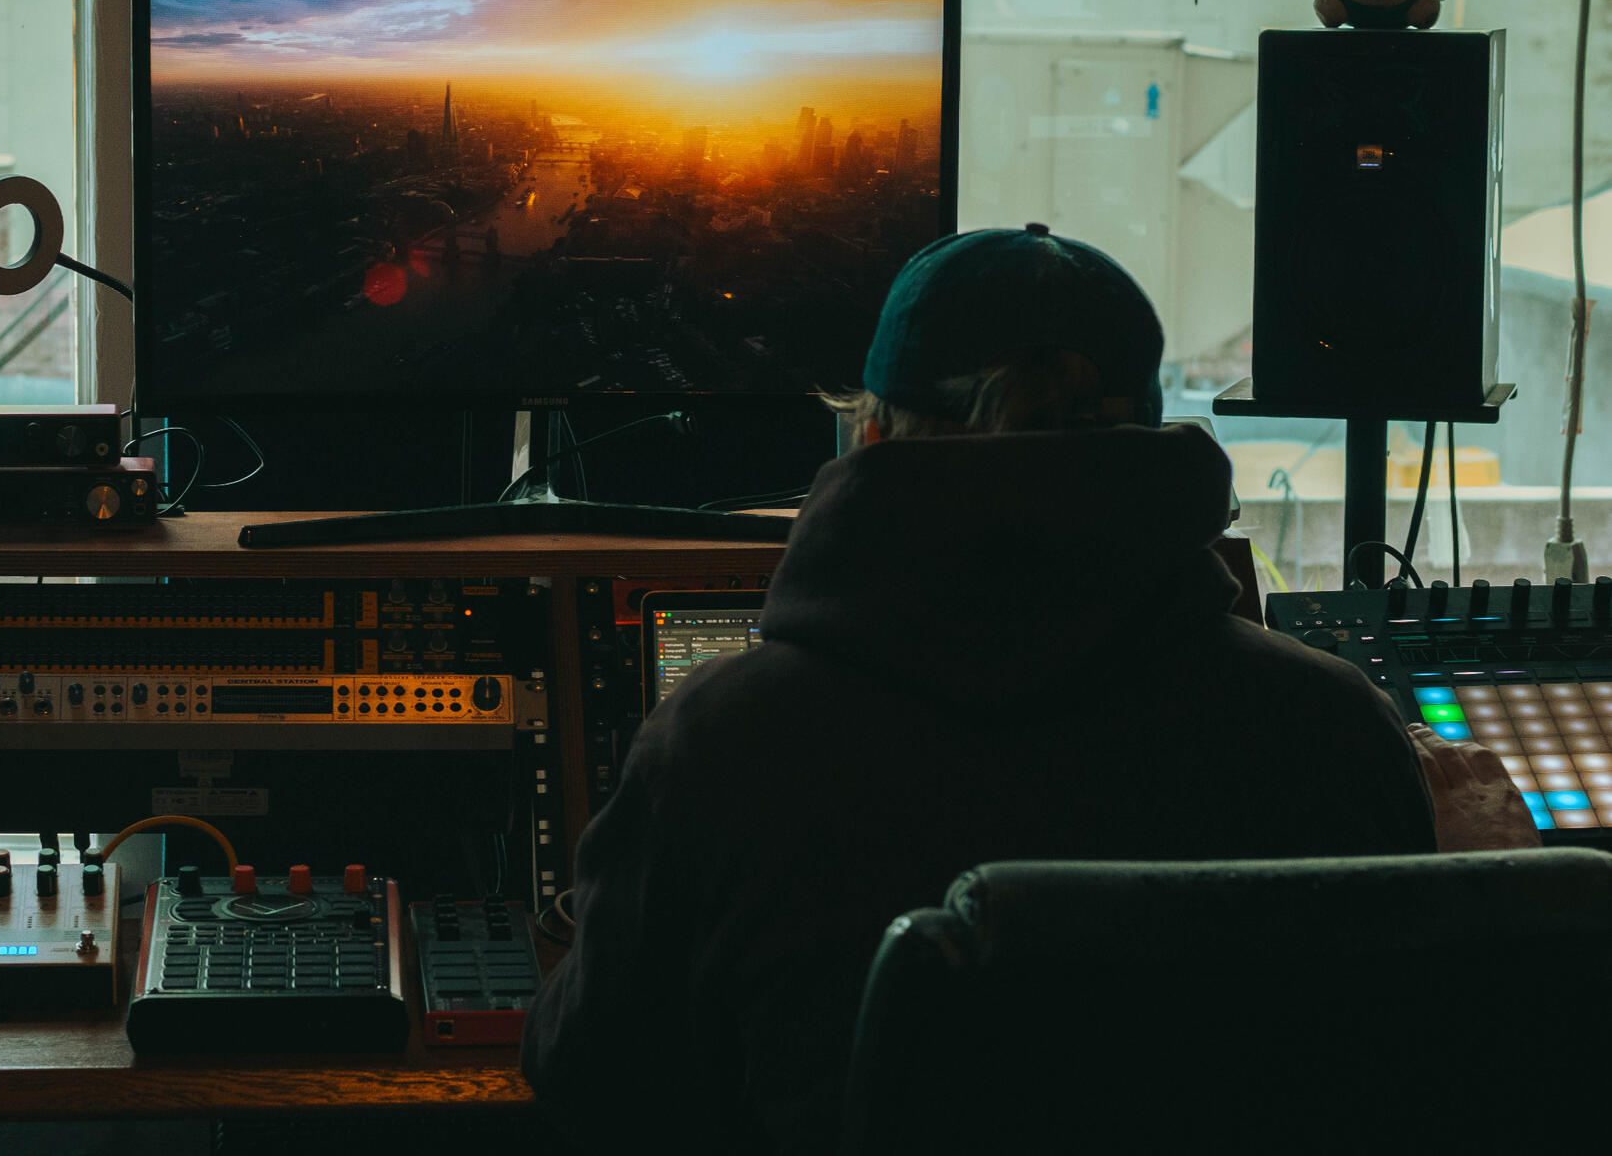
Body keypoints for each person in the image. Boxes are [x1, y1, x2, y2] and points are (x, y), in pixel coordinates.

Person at [520, 224, 1537, 1155]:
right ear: (1152, 445)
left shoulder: (721, 744)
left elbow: (601, 1091)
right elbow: (1424, 1077)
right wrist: (1487, 879)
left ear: (871, 438)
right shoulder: (1328, 725)